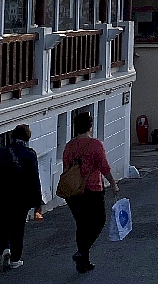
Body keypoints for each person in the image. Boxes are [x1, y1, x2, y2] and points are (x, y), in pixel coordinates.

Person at [62, 112, 119, 274]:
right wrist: (113, 183)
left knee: (82, 224)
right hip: (92, 189)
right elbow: (104, 167)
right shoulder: (95, 144)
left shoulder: (69, 146)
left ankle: (84, 261)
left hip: (72, 191)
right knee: (99, 221)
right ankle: (82, 253)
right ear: (90, 126)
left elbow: (66, 168)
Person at [0, 125, 44, 271]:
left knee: (3, 224)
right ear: (27, 138)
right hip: (21, 197)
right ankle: (15, 258)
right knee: (18, 227)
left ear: (12, 137)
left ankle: (5, 249)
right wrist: (37, 201)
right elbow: (34, 178)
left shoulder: (1, 152)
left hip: (2, 195)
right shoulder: (30, 154)